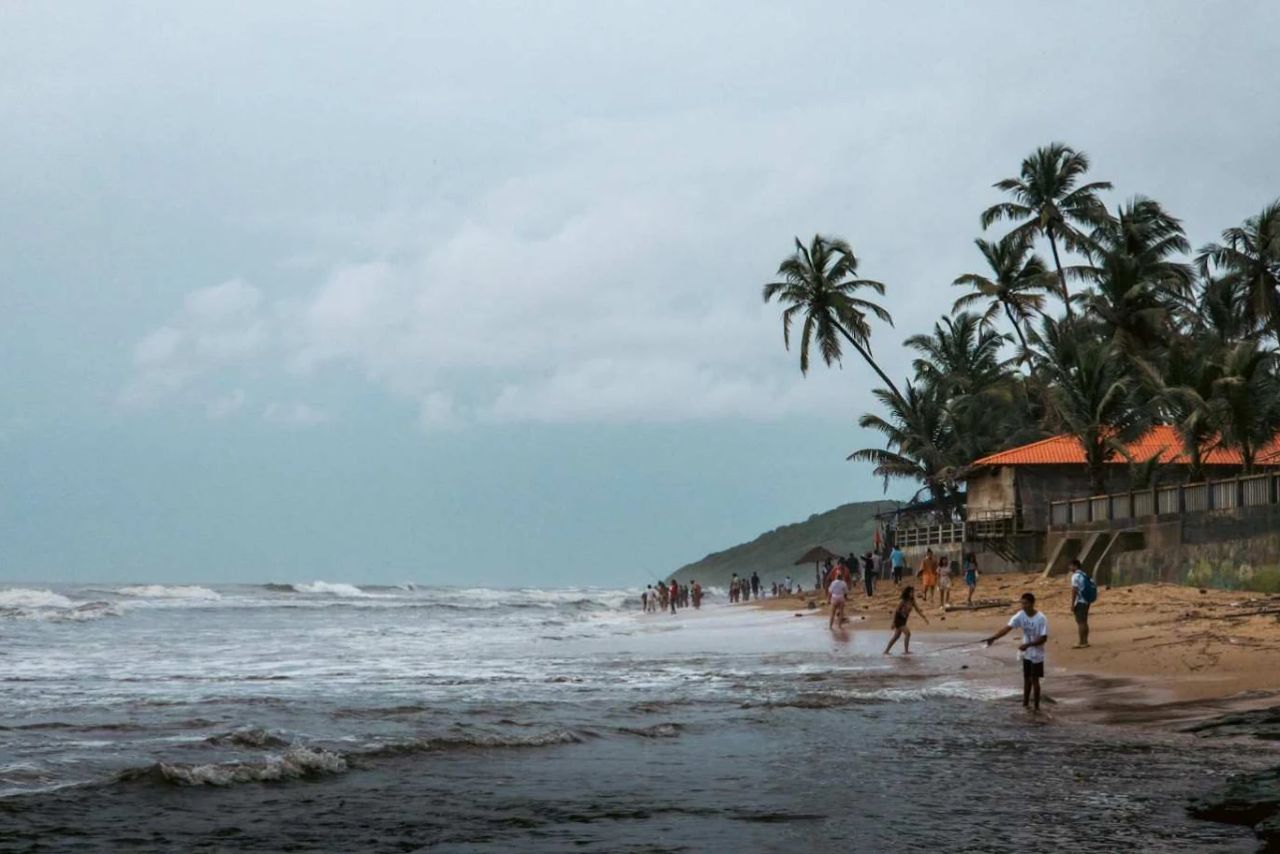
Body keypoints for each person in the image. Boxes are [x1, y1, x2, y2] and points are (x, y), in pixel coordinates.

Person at [983, 592, 1048, 713]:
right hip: (1026, 652)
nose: (1024, 606)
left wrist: (1028, 645)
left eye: (1026, 603)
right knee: (1026, 679)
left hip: (1037, 653)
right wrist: (993, 638)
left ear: (1032, 603)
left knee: (1035, 680)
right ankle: (1025, 704)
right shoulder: (1020, 615)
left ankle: (1037, 707)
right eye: (1022, 603)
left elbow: (1044, 638)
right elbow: (1007, 628)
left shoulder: (1041, 618)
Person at [884, 586, 929, 655]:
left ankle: (886, 651)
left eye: (913, 592)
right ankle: (906, 651)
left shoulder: (912, 601)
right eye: (911, 592)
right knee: (908, 633)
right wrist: (893, 622)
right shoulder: (903, 601)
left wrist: (924, 618)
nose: (913, 593)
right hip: (899, 619)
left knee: (896, 636)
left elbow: (918, 610)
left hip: (904, 620)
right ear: (908, 593)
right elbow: (897, 611)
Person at [1069, 558, 1093, 648]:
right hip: (1087, 600)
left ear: (1075, 566)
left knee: (1080, 622)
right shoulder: (1084, 574)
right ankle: (1085, 641)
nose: (1069, 567)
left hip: (1080, 601)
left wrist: (1072, 604)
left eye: (1070, 565)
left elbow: (1074, 590)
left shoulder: (1075, 576)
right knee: (1085, 621)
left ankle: (1081, 642)